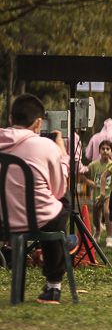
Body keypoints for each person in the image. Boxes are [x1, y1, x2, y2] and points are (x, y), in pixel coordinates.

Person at [0, 94, 73, 302]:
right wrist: (63, 156)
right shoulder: (45, 146)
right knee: (62, 203)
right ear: (39, 122)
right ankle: (53, 285)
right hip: (38, 220)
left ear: (11, 118)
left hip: (3, 221)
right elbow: (58, 190)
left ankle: (14, 248)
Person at [85, 139, 112, 247]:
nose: (105, 151)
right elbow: (83, 174)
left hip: (109, 194)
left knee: (107, 212)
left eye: (108, 149)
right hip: (97, 195)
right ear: (99, 151)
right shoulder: (93, 165)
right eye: (103, 149)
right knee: (96, 216)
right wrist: (89, 182)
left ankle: (109, 237)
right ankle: (97, 231)